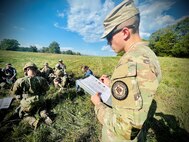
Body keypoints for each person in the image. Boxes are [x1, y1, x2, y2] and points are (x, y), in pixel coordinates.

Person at [90, 0, 162, 141]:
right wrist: (112, 86)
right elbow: (138, 91)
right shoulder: (148, 54)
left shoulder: (129, 63)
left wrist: (98, 105)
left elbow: (126, 129)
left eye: (109, 37)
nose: (108, 42)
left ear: (125, 32)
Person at [11, 62, 52, 129]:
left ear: (27, 70)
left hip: (27, 103)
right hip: (40, 100)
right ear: (35, 70)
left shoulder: (20, 81)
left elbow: (15, 92)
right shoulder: (41, 79)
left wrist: (20, 100)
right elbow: (47, 88)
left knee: (25, 115)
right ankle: (44, 115)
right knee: (42, 109)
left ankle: (34, 122)